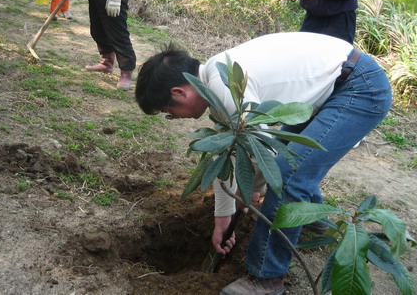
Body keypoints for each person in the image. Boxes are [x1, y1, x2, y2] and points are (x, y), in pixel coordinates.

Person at [135, 32, 392, 295]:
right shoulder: (217, 78)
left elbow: (261, 152)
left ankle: (267, 278)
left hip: (359, 88)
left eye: (169, 113)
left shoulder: (222, 85)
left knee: (288, 174)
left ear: (179, 92)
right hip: (332, 85)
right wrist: (223, 216)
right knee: (293, 158)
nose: (175, 119)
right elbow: (231, 151)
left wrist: (250, 189)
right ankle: (314, 219)